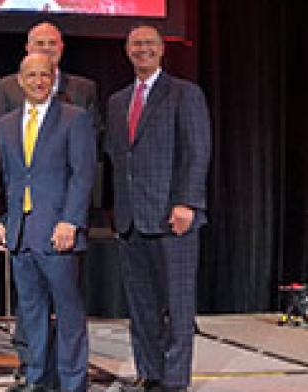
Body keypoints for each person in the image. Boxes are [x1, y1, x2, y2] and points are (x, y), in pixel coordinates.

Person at [105, 25, 210, 392]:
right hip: (132, 220)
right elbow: (119, 161)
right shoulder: (118, 102)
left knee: (177, 305)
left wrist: (187, 202)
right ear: (127, 50)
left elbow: (197, 152)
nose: (143, 49)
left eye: (150, 44)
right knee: (142, 307)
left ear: (162, 50)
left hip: (172, 217)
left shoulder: (184, 94)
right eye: (136, 44)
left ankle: (175, 380)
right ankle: (149, 374)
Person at [0, 54, 95, 392]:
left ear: (54, 79)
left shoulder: (73, 118)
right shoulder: (6, 124)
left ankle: (72, 383)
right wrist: (3, 222)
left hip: (57, 233)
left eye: (44, 75)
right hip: (21, 235)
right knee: (32, 314)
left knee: (68, 314)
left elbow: (83, 175)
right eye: (31, 75)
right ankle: (39, 379)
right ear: (20, 81)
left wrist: (70, 221)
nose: (38, 81)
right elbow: (8, 178)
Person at [0, 22, 98, 124]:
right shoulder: (7, 87)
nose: (46, 48)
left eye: (52, 43)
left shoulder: (84, 90)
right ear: (27, 48)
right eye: (40, 43)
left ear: (61, 47)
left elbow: (93, 133)